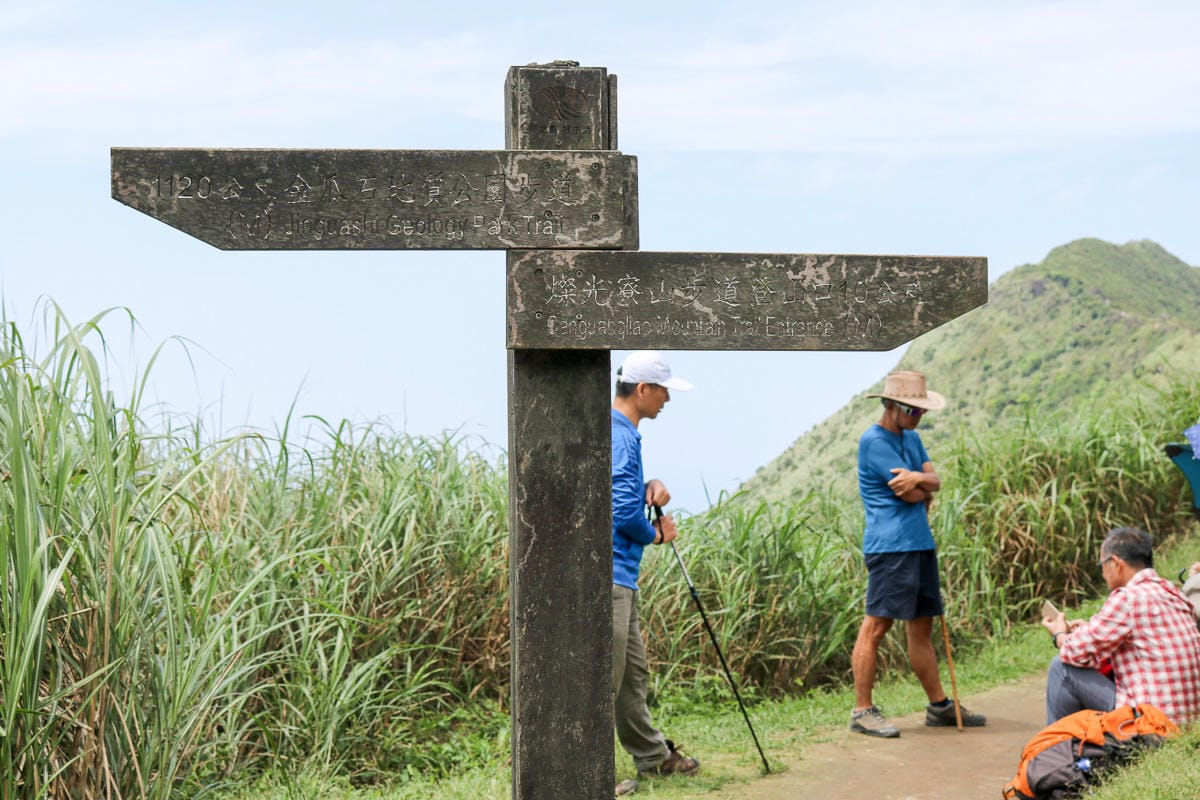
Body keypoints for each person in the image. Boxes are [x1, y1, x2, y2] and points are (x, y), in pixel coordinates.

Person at [849, 370, 986, 737]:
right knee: (876, 625)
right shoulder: (874, 442)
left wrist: (922, 481)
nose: (918, 417)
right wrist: (922, 487)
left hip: (920, 544)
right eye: (912, 411)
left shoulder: (913, 439)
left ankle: (938, 706)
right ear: (891, 406)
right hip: (891, 547)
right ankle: (862, 711)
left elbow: (933, 481)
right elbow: (911, 494)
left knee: (921, 626)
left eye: (921, 411)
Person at [610, 351, 700, 781]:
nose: (667, 399)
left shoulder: (619, 432)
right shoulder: (621, 435)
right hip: (610, 576)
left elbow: (620, 492)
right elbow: (622, 514)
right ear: (642, 389)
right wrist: (658, 533)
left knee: (631, 675)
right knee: (607, 677)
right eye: (663, 390)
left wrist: (649, 484)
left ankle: (653, 758)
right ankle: (578, 771)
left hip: (621, 575)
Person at [1042, 526, 1200, 725]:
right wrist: (1086, 630)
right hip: (1188, 720)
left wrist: (1059, 635)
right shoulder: (1172, 592)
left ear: (1116, 563)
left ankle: (1056, 749)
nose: (1103, 573)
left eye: (1102, 566)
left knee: (1061, 668)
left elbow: (1074, 651)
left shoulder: (1126, 598)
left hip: (1149, 723)